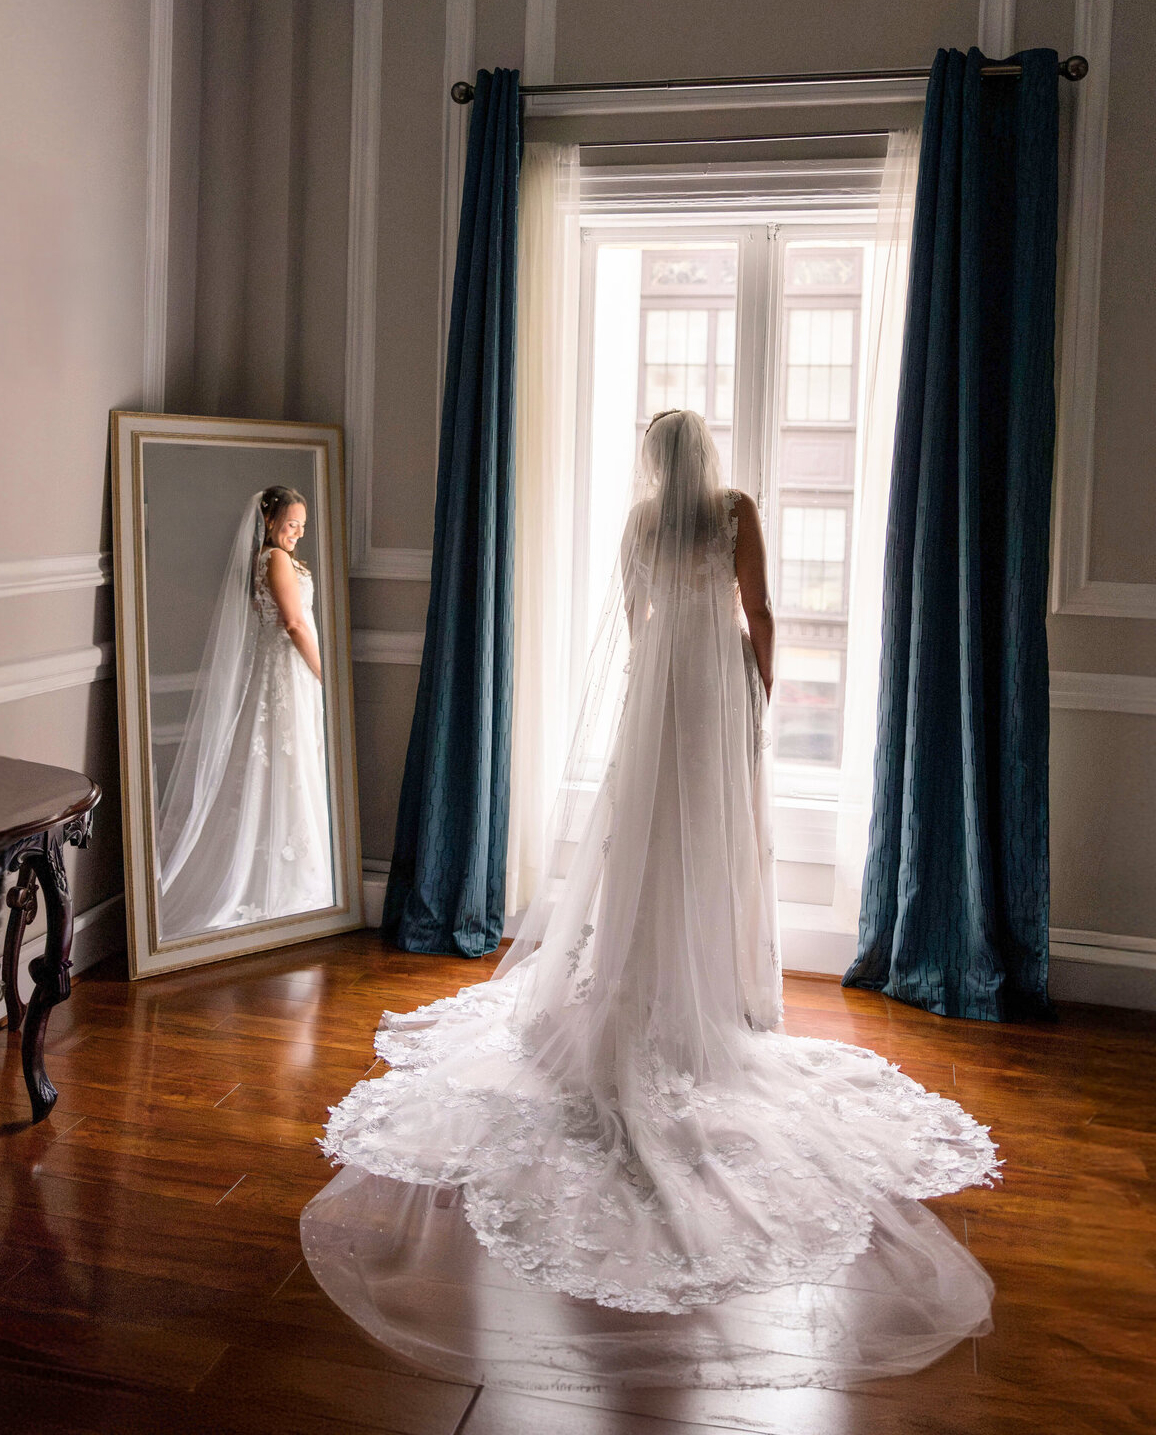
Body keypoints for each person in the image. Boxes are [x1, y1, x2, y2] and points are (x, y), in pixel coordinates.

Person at [301, 411, 997, 1396]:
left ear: (651, 465)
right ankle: (714, 992)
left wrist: (666, 680)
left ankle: (645, 980)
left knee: (651, 845)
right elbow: (759, 613)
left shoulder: (641, 526)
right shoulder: (735, 509)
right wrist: (755, 693)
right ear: (706, 459)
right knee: (710, 846)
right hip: (712, 681)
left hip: (663, 682)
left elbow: (635, 625)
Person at [158, 485, 332, 938]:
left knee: (281, 761)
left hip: (285, 672)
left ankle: (276, 874)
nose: (297, 533)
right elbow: (292, 622)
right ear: (269, 521)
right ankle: (279, 884)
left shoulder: (273, 559)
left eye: (302, 526)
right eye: (291, 524)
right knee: (284, 760)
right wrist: (324, 674)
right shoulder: (272, 559)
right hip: (287, 671)